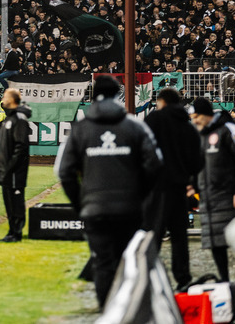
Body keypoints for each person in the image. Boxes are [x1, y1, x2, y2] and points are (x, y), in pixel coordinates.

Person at [57, 75, 164, 306]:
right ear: (119, 96)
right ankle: (128, 311)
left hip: (94, 209)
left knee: (102, 262)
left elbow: (64, 172)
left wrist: (81, 203)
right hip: (129, 209)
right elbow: (155, 165)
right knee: (128, 261)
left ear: (94, 96)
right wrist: (139, 194)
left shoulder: (80, 129)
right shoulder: (135, 126)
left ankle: (107, 311)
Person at [143, 86, 204, 291]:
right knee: (180, 236)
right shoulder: (188, 127)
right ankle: (183, 278)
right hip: (179, 188)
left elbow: (143, 153)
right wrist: (188, 179)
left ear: (161, 102)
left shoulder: (152, 121)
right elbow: (197, 161)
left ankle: (147, 275)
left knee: (153, 235)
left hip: (156, 187)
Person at [190, 96, 235, 281]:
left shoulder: (228, 129)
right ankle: (225, 281)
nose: (194, 121)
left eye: (196, 116)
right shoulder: (200, 135)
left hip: (229, 196)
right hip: (209, 198)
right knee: (216, 244)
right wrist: (192, 184)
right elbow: (198, 164)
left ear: (206, 114)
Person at [0, 87, 31, 242]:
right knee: (9, 202)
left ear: (11, 99)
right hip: (6, 169)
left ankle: (16, 233)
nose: (3, 99)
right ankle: (11, 230)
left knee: (16, 202)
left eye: (5, 96)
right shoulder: (9, 119)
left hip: (15, 171)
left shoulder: (19, 119)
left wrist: (11, 166)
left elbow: (21, 146)